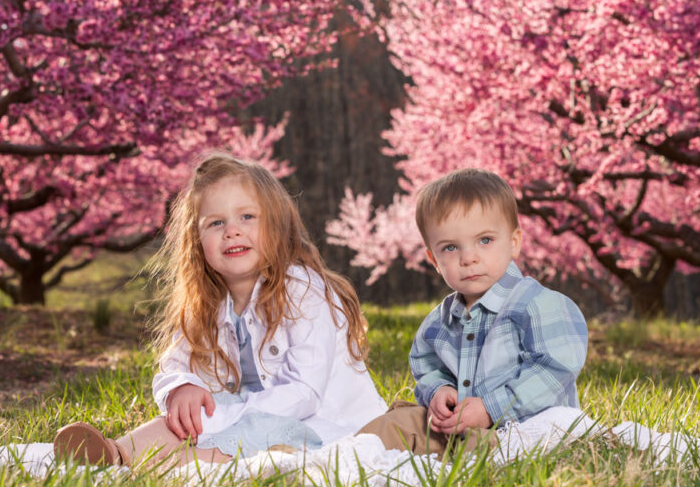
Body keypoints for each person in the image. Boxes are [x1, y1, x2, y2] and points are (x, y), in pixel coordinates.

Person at [53, 152, 387, 468]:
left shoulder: (302, 289)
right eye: (215, 223)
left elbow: (304, 395)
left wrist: (228, 414)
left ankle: (178, 466)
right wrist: (180, 388)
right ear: (196, 241)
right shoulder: (207, 304)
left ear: (277, 225)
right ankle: (116, 453)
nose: (232, 230)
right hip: (241, 418)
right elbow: (175, 363)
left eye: (247, 216)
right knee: (177, 424)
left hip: (322, 428)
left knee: (254, 434)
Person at [356, 168, 588, 457]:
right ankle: (341, 459)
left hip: (523, 431)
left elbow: (554, 370)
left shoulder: (539, 305)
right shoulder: (436, 324)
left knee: (486, 451)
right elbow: (427, 367)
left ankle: (455, 468)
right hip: (456, 428)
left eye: (485, 240)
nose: (469, 258)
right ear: (434, 260)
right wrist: (438, 392)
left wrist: (492, 408)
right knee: (393, 424)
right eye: (451, 247)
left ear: (514, 242)